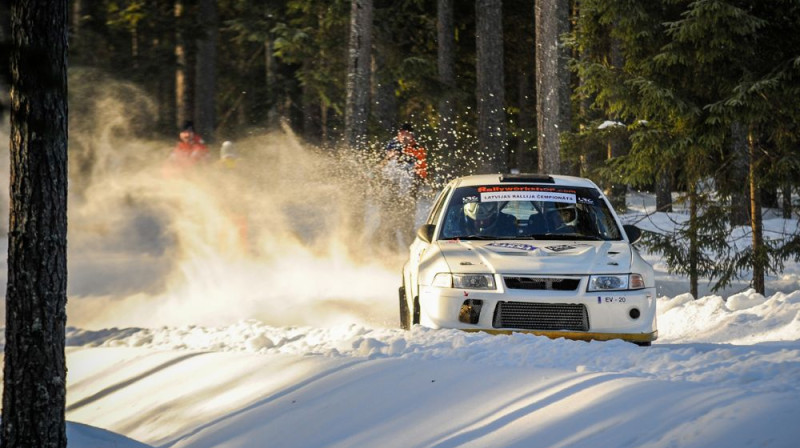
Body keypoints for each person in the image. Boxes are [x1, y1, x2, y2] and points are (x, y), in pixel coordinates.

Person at [383, 123, 427, 198]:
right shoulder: (393, 144)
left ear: (412, 135)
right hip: (392, 182)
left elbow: (421, 166)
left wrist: (421, 179)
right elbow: (385, 160)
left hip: (410, 184)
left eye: (407, 134)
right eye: (402, 133)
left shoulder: (417, 147)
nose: (404, 136)